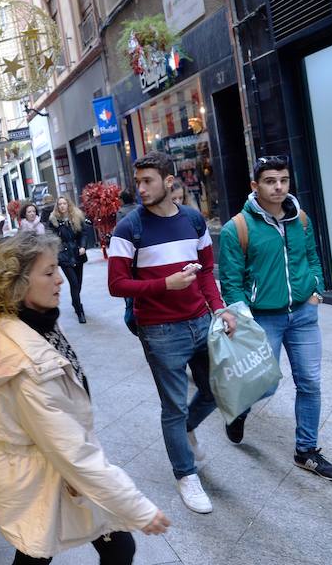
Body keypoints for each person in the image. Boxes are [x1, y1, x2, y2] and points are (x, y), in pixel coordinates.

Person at [0, 232, 170, 565]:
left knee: (104, 548)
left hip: (49, 462)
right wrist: (137, 507)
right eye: (49, 272)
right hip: (43, 472)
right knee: (69, 549)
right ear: (18, 283)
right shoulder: (27, 361)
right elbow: (71, 451)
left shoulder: (32, 321)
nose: (60, 279)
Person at [108, 151, 237, 514]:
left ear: (169, 181)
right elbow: (117, 285)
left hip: (200, 321)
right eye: (138, 182)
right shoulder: (128, 228)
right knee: (173, 407)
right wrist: (166, 284)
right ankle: (186, 474)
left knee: (214, 391)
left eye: (148, 181)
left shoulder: (194, 221)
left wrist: (220, 309)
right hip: (159, 330)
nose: (141, 188)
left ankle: (186, 432)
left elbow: (207, 271)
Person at [218, 156, 332, 481]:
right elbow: (231, 283)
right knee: (265, 384)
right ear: (254, 186)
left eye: (284, 180)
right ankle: (238, 412)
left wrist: (316, 288)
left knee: (310, 382)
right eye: (270, 181)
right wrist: (243, 321)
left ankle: (306, 451)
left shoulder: (300, 219)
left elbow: (312, 256)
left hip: (303, 313)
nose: (278, 187)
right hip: (264, 318)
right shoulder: (238, 228)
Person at [47, 197, 90, 324]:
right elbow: (52, 237)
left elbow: (83, 233)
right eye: (59, 204)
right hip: (64, 255)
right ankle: (79, 310)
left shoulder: (76, 216)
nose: (62, 206)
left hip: (77, 252)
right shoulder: (54, 220)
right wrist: (57, 251)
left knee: (79, 283)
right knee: (74, 283)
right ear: (57, 206)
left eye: (64, 203)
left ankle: (75, 301)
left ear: (68, 204)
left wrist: (83, 246)